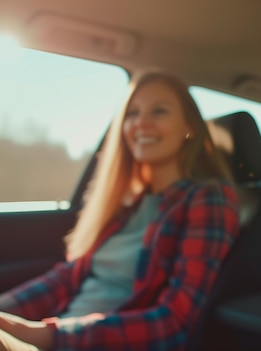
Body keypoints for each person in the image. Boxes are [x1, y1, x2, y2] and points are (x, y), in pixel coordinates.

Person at [0, 70, 239, 350]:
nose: (141, 124)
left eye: (159, 111)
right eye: (132, 114)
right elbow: (66, 278)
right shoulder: (125, 203)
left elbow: (176, 323)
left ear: (190, 127)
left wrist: (47, 336)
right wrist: (7, 312)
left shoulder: (208, 199)